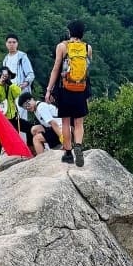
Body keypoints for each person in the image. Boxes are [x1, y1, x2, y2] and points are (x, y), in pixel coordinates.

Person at [45, 20, 92, 166]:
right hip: (80, 89)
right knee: (78, 122)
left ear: (69, 32)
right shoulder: (87, 48)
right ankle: (78, 145)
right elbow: (87, 70)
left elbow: (56, 69)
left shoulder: (62, 47)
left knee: (65, 121)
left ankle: (67, 152)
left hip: (65, 89)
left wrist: (49, 90)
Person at [3, 34, 35, 134]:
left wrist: (24, 85)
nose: (11, 44)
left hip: (21, 93)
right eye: (9, 42)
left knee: (20, 119)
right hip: (9, 94)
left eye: (14, 42)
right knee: (11, 119)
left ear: (17, 44)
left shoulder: (22, 57)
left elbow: (30, 74)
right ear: (6, 44)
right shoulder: (5, 59)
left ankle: (22, 146)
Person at [0, 66, 22, 131]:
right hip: (0, 117)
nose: (5, 77)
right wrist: (0, 84)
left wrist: (10, 83)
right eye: (3, 75)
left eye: (7, 76)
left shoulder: (11, 86)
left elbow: (18, 92)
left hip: (12, 116)